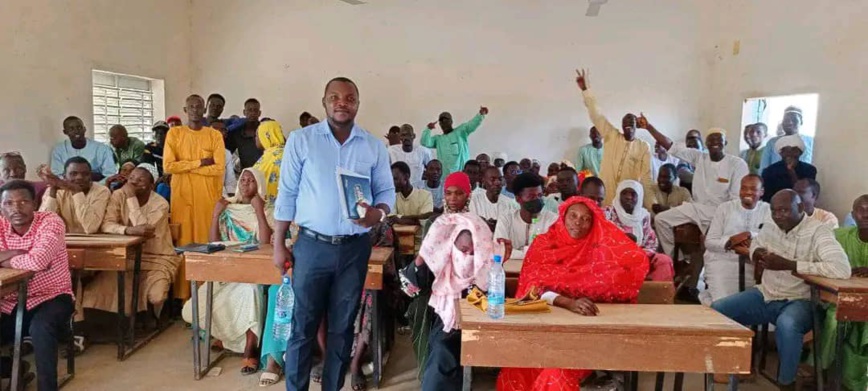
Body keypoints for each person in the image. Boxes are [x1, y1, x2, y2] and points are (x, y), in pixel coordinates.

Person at [273, 77, 395, 391]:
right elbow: (286, 194)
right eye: (335, 97)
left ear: (358, 102)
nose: (342, 103)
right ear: (324, 101)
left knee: (343, 328)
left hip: (354, 249)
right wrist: (279, 244)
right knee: (303, 327)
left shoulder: (373, 146)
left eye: (349, 97)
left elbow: (386, 193)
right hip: (312, 246)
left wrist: (376, 214)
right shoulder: (302, 140)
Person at [496, 197, 649, 390]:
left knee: (554, 375)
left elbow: (629, 270)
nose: (578, 222)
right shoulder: (544, 245)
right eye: (573, 216)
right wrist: (567, 302)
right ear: (563, 217)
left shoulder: (601, 253)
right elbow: (531, 289)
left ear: (593, 223)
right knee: (515, 370)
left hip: (585, 338)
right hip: (543, 332)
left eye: (586, 219)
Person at [711, 190, 850, 390]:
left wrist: (791, 265)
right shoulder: (770, 226)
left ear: (800, 208)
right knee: (718, 310)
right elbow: (757, 243)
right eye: (775, 211)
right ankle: (732, 371)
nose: (778, 216)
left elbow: (841, 268)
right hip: (765, 294)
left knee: (788, 324)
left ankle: (787, 384)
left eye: (784, 210)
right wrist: (756, 252)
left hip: (800, 300)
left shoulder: (818, 231)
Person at [183, 168, 269, 376]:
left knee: (249, 293)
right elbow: (214, 243)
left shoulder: (267, 210)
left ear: (259, 186)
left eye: (251, 181)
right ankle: (229, 338)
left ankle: (250, 347)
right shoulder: (229, 208)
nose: (245, 183)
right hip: (228, 270)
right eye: (243, 180)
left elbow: (265, 244)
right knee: (191, 309)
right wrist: (215, 215)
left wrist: (258, 211)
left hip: (253, 271)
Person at [401, 208, 494, 390]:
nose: (468, 256)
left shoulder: (486, 267)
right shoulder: (442, 264)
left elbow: (486, 301)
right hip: (444, 320)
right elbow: (409, 288)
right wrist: (423, 255)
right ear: (452, 245)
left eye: (474, 251)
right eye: (463, 250)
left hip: (477, 323)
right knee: (442, 354)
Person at [0, 180, 74, 391]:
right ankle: (12, 370)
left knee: (41, 328)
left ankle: (47, 387)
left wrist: (4, 258)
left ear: (35, 203)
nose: (16, 208)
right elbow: (32, 260)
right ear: (1, 207)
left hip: (52, 296)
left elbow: (38, 262)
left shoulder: (51, 221)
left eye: (23, 201)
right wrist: (17, 254)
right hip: (10, 300)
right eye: (9, 203)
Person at [83, 164, 180, 324]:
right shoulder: (118, 195)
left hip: (157, 258)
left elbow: (145, 230)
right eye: (132, 178)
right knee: (99, 291)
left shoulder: (160, 204)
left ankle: (149, 316)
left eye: (140, 180)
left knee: (156, 296)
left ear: (151, 185)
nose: (133, 182)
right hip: (126, 256)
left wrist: (131, 199)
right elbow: (106, 224)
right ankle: (125, 322)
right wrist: (126, 230)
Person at [646, 127, 749, 259]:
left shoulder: (737, 164)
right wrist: (649, 127)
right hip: (695, 208)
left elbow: (735, 200)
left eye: (719, 139)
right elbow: (671, 146)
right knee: (661, 220)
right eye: (711, 140)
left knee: (709, 247)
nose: (715, 143)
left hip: (719, 212)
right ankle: (675, 260)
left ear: (725, 143)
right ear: (706, 144)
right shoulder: (700, 157)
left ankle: (701, 271)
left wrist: (719, 222)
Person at [575, 69, 653, 208]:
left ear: (637, 126)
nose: (628, 124)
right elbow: (597, 115)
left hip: (627, 200)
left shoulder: (643, 147)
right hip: (606, 195)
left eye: (632, 122)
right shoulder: (612, 136)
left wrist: (650, 205)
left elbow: (647, 178)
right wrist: (586, 90)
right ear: (622, 126)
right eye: (625, 122)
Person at [819, 194, 868, 391]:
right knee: (834, 321)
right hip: (839, 299)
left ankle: (858, 380)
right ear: (853, 214)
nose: (866, 215)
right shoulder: (839, 236)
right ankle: (824, 372)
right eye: (860, 210)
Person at [164, 94, 226, 246]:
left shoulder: (214, 135)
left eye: (199, 107)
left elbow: (219, 169)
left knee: (208, 240)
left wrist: (187, 167)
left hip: (207, 197)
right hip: (182, 196)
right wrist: (200, 162)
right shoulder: (174, 133)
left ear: (204, 110)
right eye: (191, 106)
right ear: (185, 110)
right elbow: (168, 166)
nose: (195, 110)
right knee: (183, 240)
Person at [699, 174, 770, 306]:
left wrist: (749, 234)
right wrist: (731, 241)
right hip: (722, 261)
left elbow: (769, 238)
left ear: (761, 192)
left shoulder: (768, 210)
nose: (748, 192)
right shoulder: (725, 208)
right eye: (744, 188)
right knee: (723, 305)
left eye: (753, 189)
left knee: (747, 306)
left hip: (752, 265)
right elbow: (710, 242)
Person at [604, 180, 675, 281]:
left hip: (641, 257)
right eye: (625, 193)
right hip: (614, 257)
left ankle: (659, 293)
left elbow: (651, 244)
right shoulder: (608, 213)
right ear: (618, 194)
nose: (629, 197)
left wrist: (638, 255)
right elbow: (602, 238)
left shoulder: (643, 216)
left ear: (640, 196)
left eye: (633, 194)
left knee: (664, 261)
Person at [38, 157, 110, 234]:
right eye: (73, 174)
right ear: (64, 176)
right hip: (64, 242)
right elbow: (42, 225)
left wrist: (76, 191)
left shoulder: (101, 191)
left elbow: (90, 227)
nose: (79, 177)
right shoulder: (54, 191)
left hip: (94, 243)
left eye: (85, 174)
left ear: (90, 176)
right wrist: (53, 190)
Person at [494, 173, 558, 260]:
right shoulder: (506, 219)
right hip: (510, 271)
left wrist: (515, 252)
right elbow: (500, 249)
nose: (537, 200)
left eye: (539, 195)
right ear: (518, 199)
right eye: (531, 196)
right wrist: (532, 253)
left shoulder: (552, 220)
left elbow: (552, 252)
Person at [420, 107, 489, 178]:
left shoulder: (461, 131)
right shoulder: (438, 139)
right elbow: (424, 142)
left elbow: (472, 124)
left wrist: (480, 114)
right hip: (445, 178)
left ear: (451, 121)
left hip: (462, 175)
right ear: (440, 125)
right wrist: (428, 129)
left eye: (446, 120)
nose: (444, 123)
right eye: (442, 122)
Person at [49, 116, 117, 180]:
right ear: (65, 132)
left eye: (79, 127)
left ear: (84, 129)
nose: (76, 131)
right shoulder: (59, 150)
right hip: (69, 187)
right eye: (71, 129)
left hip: (96, 187)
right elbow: (57, 175)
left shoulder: (102, 149)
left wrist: (96, 186)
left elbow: (110, 175)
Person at [760, 134, 816, 203]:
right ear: (781, 153)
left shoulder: (810, 170)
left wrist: (791, 171)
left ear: (800, 153)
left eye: (794, 150)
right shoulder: (769, 171)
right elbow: (766, 198)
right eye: (786, 150)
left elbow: (804, 193)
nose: (790, 153)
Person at [759, 107, 814, 173]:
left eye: (794, 119)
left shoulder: (811, 142)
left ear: (801, 122)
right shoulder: (772, 142)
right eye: (786, 120)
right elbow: (763, 168)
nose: (790, 123)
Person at [470, 167, 518, 232]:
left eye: (500, 179)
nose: (497, 183)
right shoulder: (473, 200)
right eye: (492, 179)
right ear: (483, 180)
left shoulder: (510, 203)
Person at [252, 120, 286, 205]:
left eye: (257, 135)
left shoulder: (267, 158)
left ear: (265, 136)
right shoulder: (289, 152)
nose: (256, 139)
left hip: (270, 209)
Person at [225, 99, 264, 170]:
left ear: (259, 113)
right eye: (249, 110)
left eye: (255, 110)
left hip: (265, 172)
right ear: (244, 112)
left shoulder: (265, 130)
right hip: (247, 174)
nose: (252, 113)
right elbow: (227, 152)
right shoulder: (237, 132)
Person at [391, 162, 434, 226]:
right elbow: (391, 219)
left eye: (395, 179)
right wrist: (417, 218)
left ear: (406, 177)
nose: (392, 183)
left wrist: (399, 219)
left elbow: (425, 221)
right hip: (398, 235)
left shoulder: (425, 195)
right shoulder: (392, 197)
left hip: (420, 236)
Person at [211, 120, 239, 198]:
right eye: (214, 129)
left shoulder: (226, 153)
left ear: (225, 134)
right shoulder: (197, 150)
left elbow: (230, 180)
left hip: (220, 196)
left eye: (222, 130)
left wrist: (231, 199)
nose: (218, 132)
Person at [677, 129, 703, 193]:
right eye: (689, 147)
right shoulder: (685, 156)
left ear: (701, 145)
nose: (692, 149)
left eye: (695, 146)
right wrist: (702, 179)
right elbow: (682, 173)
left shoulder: (708, 156)